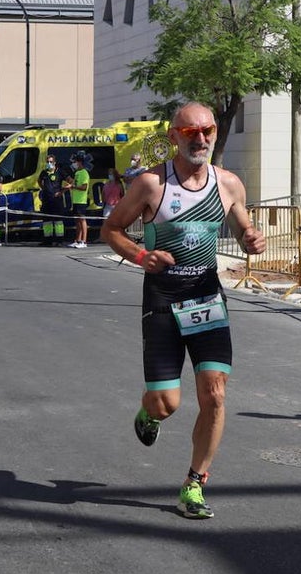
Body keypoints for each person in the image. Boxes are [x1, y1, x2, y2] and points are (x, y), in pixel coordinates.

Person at [101, 101, 266, 520]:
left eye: (207, 130)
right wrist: (141, 257)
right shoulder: (151, 185)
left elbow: (241, 222)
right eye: (191, 132)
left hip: (207, 300)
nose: (201, 139)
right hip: (162, 301)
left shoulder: (227, 183)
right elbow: (112, 229)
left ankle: (194, 483)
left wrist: (249, 237)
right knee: (167, 404)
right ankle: (148, 411)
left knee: (214, 394)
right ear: (173, 136)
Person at [38, 155, 65, 245]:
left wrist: (62, 191)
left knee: (58, 221)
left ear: (54, 162)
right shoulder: (44, 172)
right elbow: (39, 181)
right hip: (46, 200)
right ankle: (47, 240)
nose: (49, 164)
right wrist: (44, 188)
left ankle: (59, 240)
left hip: (57, 200)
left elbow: (71, 182)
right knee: (47, 221)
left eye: (50, 162)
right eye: (47, 162)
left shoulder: (60, 172)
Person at [66, 152, 90, 248]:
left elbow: (84, 187)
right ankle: (78, 240)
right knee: (77, 220)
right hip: (75, 200)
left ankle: (84, 241)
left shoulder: (84, 173)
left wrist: (73, 186)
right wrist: (70, 187)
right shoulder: (77, 173)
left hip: (81, 200)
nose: (74, 164)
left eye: (75, 162)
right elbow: (75, 185)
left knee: (82, 220)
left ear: (79, 162)